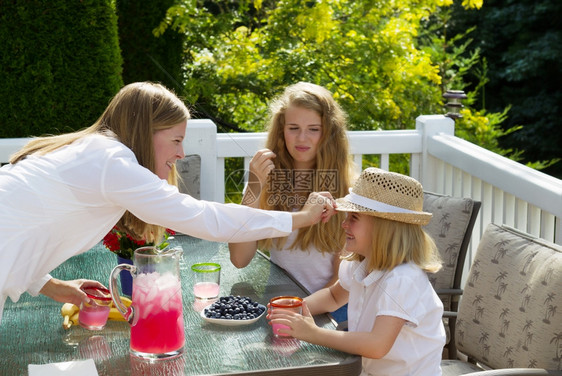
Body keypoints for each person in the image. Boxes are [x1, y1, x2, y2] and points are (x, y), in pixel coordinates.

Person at [0, 81, 336, 322]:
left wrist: (51, 285)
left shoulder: (96, 154)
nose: (181, 152)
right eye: (175, 139)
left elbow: (25, 224)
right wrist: (299, 218)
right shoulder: (112, 164)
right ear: (145, 131)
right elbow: (206, 218)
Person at [268, 167, 446, 376]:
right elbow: (334, 297)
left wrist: (312, 333)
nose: (343, 224)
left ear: (384, 228)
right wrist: (292, 310)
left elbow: (376, 345)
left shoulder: (404, 278)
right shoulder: (362, 265)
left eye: (353, 217)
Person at [227, 82, 354, 321]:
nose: (302, 138)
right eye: (293, 128)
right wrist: (254, 184)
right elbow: (239, 259)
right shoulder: (265, 182)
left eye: (313, 129)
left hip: (334, 310)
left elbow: (341, 282)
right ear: (281, 131)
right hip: (282, 304)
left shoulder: (347, 191)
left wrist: (297, 310)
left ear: (328, 133)